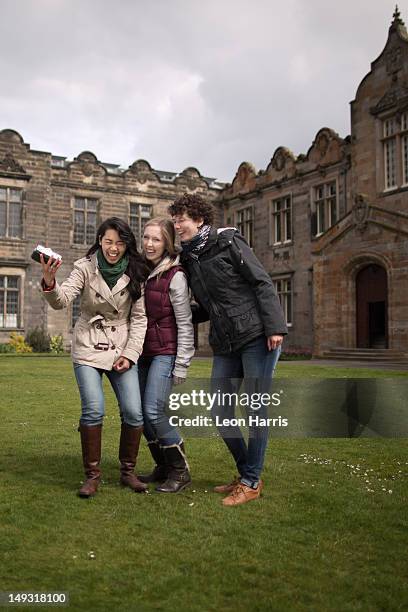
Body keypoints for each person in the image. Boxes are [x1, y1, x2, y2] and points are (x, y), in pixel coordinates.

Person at [168, 193, 288, 506]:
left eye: (182, 219)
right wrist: (173, 314)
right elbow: (209, 307)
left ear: (199, 219)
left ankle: (250, 482)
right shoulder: (189, 260)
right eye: (175, 219)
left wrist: (275, 326)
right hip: (225, 342)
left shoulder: (227, 242)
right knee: (220, 411)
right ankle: (247, 473)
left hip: (256, 335)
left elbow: (261, 281)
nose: (177, 225)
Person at [40, 217, 149, 498]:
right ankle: (92, 476)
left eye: (120, 243)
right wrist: (50, 282)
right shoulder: (85, 267)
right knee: (94, 409)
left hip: (121, 348)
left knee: (134, 412)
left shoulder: (137, 272)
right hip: (89, 345)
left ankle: (128, 472)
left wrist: (130, 354)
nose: (114, 248)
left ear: (127, 245)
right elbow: (62, 300)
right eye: (109, 241)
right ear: (100, 240)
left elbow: (139, 320)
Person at [138, 217, 195, 493]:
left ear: (167, 243)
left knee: (153, 410)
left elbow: (185, 322)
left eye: (156, 239)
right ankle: (162, 465)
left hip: (165, 352)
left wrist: (181, 364)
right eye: (146, 237)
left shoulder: (176, 275)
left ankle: (180, 470)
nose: (149, 244)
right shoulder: (141, 271)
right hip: (141, 352)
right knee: (140, 413)